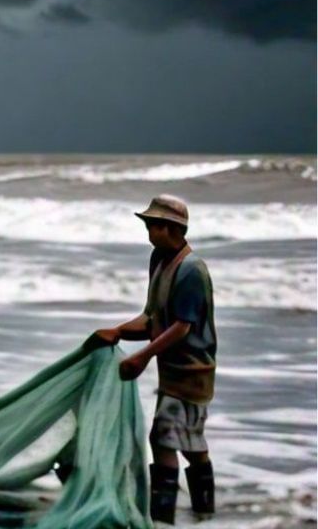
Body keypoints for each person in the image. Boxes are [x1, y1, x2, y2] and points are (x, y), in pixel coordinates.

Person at [93, 195, 217, 524]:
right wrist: (117, 332)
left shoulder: (191, 270)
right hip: (172, 370)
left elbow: (181, 327)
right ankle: (204, 513)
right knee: (189, 442)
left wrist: (143, 357)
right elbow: (152, 319)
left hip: (193, 370)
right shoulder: (159, 260)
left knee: (163, 437)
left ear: (173, 228)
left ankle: (163, 519)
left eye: (154, 225)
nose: (149, 231)